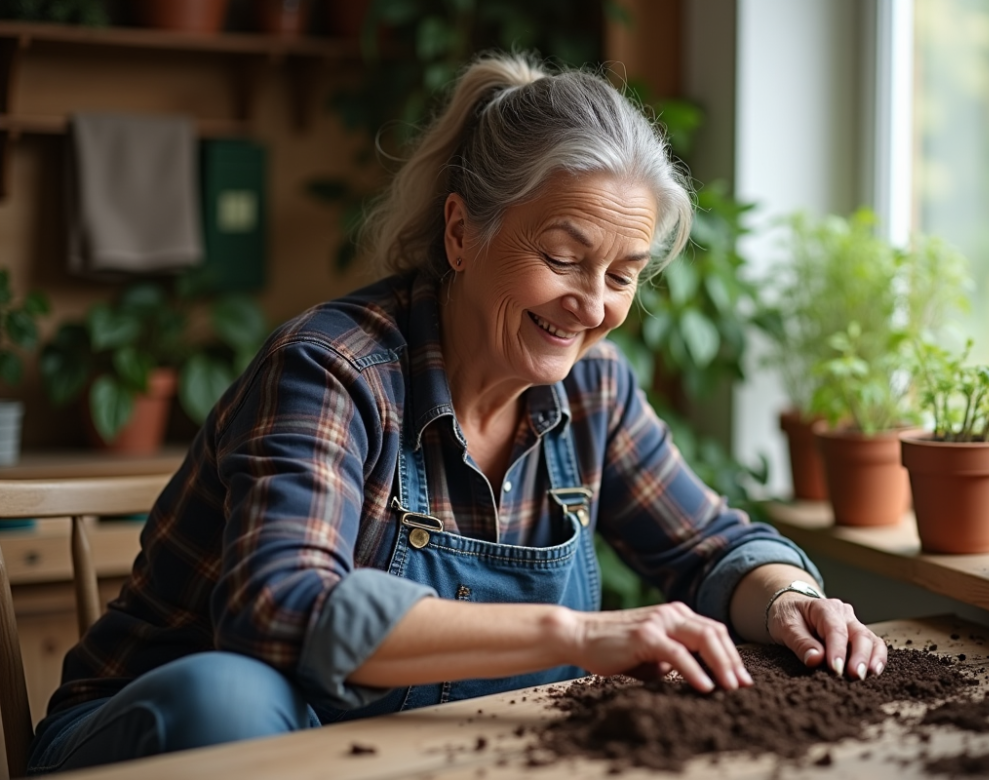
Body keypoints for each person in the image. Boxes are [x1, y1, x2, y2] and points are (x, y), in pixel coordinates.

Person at [26, 53, 886, 775]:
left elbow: (712, 547)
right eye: (562, 257)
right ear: (461, 234)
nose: (591, 305)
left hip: (406, 754)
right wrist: (577, 633)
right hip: (171, 748)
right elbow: (278, 608)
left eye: (623, 275)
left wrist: (787, 599)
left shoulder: (595, 390)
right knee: (227, 694)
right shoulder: (333, 369)